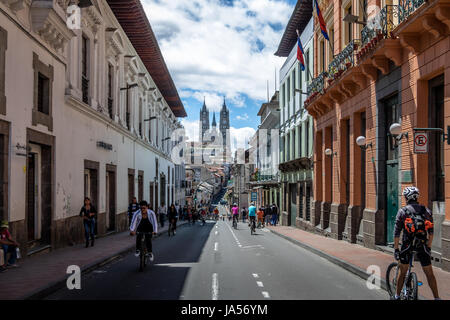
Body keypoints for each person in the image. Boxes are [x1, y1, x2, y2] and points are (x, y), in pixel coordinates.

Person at [392, 187, 440, 300]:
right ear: (417, 197)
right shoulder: (426, 211)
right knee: (429, 273)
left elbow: (396, 233)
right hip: (422, 244)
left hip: (407, 245)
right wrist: (428, 246)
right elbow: (431, 232)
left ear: (406, 198)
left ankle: (397, 296)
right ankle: (437, 298)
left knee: (403, 271)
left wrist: (396, 249)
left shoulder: (402, 212)